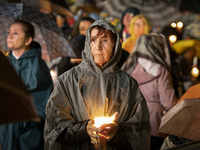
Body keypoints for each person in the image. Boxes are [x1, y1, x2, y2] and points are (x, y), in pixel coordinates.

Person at [44, 20, 151, 150]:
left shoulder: (128, 84)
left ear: (116, 45)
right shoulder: (68, 80)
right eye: (93, 40)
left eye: (105, 40)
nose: (98, 46)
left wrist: (116, 134)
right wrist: (84, 129)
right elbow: (55, 125)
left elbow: (140, 130)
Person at [0, 19, 53, 150]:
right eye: (9, 32)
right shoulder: (5, 62)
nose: (10, 36)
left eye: (16, 33)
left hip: (28, 132)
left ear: (28, 40)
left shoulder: (38, 66)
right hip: (5, 129)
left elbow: (41, 102)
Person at [121, 33, 178, 150]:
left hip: (132, 121)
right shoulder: (160, 70)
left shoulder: (129, 67)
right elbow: (168, 102)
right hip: (155, 123)